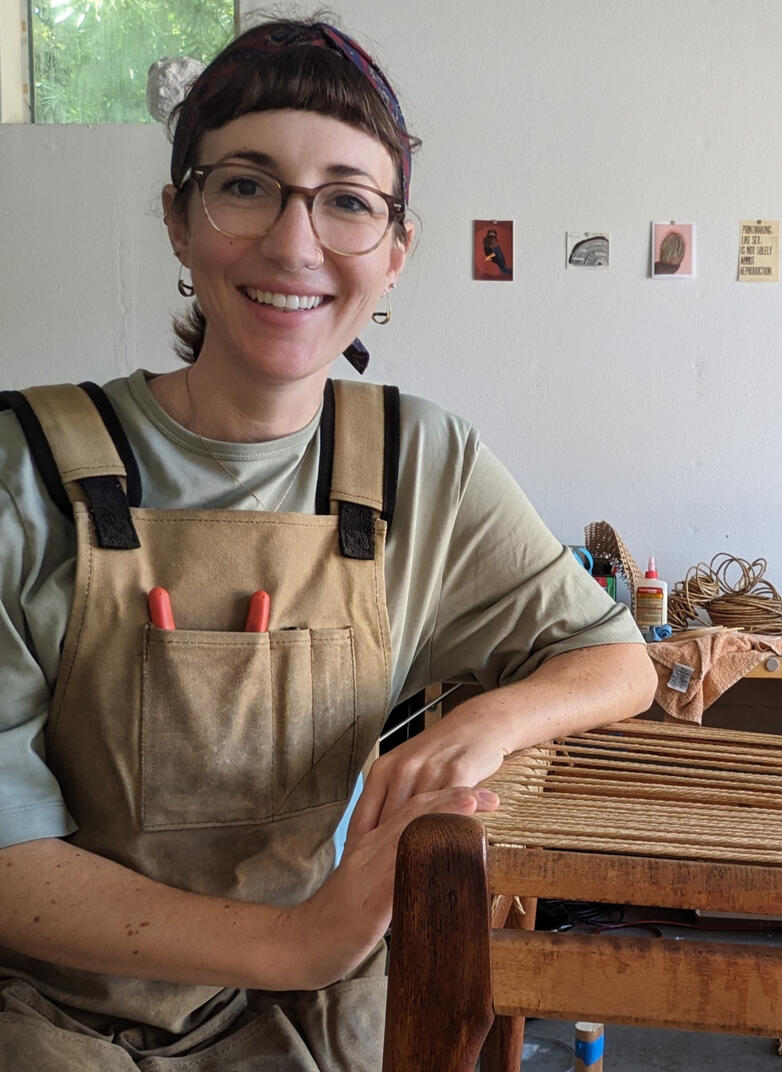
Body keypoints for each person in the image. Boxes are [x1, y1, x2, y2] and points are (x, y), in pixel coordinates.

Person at [0, 18, 655, 1071]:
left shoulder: (421, 462)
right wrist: (297, 941)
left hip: (307, 1007)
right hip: (49, 1013)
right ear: (177, 219)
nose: (295, 244)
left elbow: (618, 660)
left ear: (395, 254)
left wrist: (479, 725)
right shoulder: (21, 468)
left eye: (347, 201)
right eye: (246, 186)